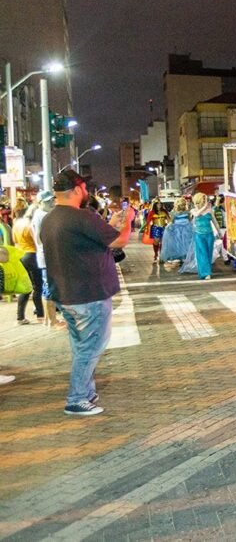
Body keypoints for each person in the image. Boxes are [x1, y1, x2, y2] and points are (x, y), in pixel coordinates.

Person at [39, 171, 136, 416]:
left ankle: (87, 392)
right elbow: (119, 242)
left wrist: (112, 223)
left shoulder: (50, 219)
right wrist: (128, 221)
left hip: (66, 295)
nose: (86, 192)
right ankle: (77, 398)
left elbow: (88, 241)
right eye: (83, 188)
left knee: (81, 346)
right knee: (91, 347)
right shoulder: (81, 217)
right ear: (76, 190)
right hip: (89, 294)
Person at [30, 191, 60, 328]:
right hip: (47, 256)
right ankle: (51, 321)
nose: (51, 203)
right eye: (48, 201)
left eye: (52, 201)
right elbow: (43, 239)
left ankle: (49, 320)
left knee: (48, 288)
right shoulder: (43, 216)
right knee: (49, 289)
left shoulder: (38, 214)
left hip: (45, 256)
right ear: (40, 202)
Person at [12, 203, 43, 325]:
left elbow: (14, 240)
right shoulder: (31, 225)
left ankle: (20, 317)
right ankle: (40, 314)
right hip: (32, 255)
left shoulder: (17, 224)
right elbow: (37, 242)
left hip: (21, 255)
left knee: (25, 287)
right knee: (37, 286)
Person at [189, 192, 220, 281]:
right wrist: (205, 206)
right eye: (203, 199)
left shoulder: (210, 210)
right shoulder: (193, 210)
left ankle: (207, 271)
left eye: (205, 199)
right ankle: (206, 273)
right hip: (199, 235)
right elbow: (197, 214)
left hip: (209, 234)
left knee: (208, 254)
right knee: (202, 254)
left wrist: (219, 233)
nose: (205, 200)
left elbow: (215, 222)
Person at [160, 197, 193, 264]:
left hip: (186, 230)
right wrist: (168, 227)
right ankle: (181, 257)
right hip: (179, 230)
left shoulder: (187, 212)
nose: (182, 206)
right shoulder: (174, 213)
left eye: (183, 205)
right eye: (181, 205)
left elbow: (190, 220)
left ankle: (185, 257)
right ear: (178, 205)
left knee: (185, 243)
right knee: (180, 244)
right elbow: (172, 221)